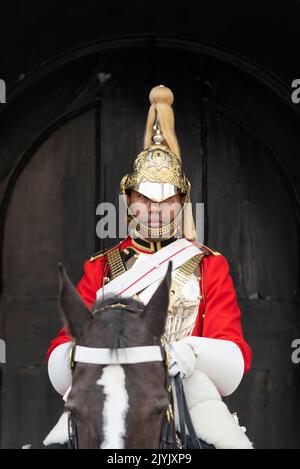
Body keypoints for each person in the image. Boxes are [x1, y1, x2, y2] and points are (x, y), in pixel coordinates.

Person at [46, 85, 252, 431]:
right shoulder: (101, 267)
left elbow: (232, 355)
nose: (156, 210)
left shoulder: (207, 265)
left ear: (182, 202)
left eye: (167, 199)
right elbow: (64, 349)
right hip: (108, 393)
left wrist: (191, 352)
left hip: (190, 391)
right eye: (145, 198)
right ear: (127, 200)